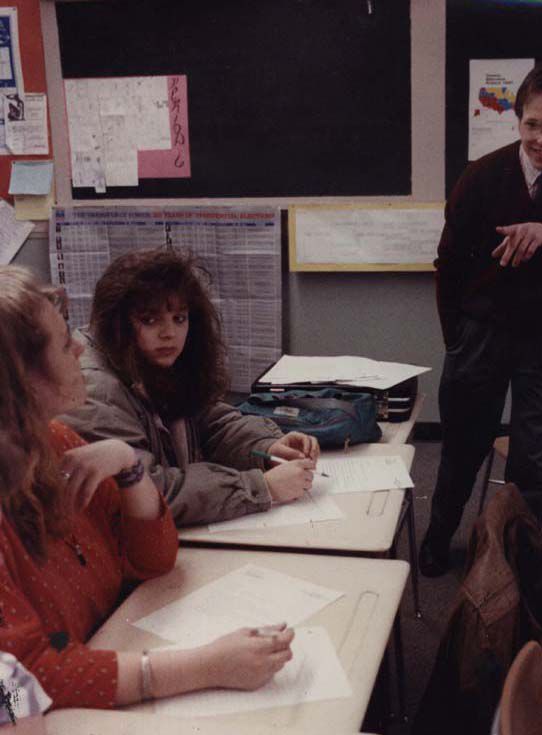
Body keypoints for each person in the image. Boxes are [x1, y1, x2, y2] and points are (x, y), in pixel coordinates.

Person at [0, 265, 294, 710]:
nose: (79, 347)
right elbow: (27, 676)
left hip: (111, 658)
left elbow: (151, 560)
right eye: (62, 343)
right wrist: (204, 667)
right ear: (19, 377)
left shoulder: (56, 442)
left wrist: (129, 467)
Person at [420, 61, 542, 577]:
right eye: (532, 124)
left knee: (532, 462)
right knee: (462, 449)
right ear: (518, 120)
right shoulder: (481, 176)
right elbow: (448, 264)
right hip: (480, 337)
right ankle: (438, 539)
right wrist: (457, 339)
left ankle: (517, 561)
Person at [60, 248, 318, 527]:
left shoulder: (148, 358)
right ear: (117, 322)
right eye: (149, 320)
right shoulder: (94, 389)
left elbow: (210, 422)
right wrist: (260, 487)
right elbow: (146, 490)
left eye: (179, 318)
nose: (169, 333)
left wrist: (266, 448)